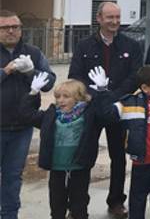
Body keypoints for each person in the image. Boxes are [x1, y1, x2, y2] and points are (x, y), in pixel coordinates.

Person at [68, 1, 143, 218]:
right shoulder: (84, 45)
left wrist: (112, 97)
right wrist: (94, 94)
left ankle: (116, 201)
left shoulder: (132, 45)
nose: (115, 22)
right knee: (84, 156)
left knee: (118, 158)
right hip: (90, 108)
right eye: (110, 17)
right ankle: (78, 205)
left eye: (118, 17)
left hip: (118, 108)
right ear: (99, 18)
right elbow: (76, 75)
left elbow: (135, 76)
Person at [95, 64, 150, 219]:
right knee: (137, 200)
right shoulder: (128, 103)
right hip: (141, 163)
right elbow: (106, 114)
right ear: (145, 87)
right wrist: (102, 91)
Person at [0, 9, 56, 219]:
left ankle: (9, 215)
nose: (11, 31)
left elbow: (49, 83)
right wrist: (5, 71)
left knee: (13, 176)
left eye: (15, 27)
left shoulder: (33, 52)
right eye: (5, 28)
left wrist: (31, 73)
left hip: (22, 128)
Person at [21, 76, 99, 219]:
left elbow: (108, 114)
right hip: (57, 168)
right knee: (57, 205)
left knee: (79, 205)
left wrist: (102, 91)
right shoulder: (51, 115)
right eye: (58, 97)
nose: (60, 100)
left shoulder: (89, 115)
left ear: (78, 98)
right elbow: (27, 115)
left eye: (66, 96)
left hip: (79, 167)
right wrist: (33, 93)